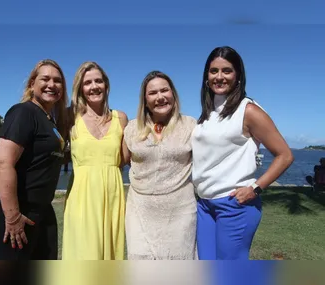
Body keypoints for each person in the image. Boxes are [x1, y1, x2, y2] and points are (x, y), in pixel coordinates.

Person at [192, 46, 294, 260]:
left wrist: (255, 188)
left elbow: (285, 155)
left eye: (227, 71)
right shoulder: (208, 113)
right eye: (213, 71)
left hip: (233, 207)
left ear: (238, 76)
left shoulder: (249, 110)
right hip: (204, 205)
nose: (219, 77)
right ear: (206, 77)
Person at [0, 59, 68, 260]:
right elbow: (3, 163)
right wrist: (12, 217)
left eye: (57, 81)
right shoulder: (23, 112)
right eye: (45, 79)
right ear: (32, 84)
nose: (52, 84)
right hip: (18, 209)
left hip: (42, 208)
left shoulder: (49, 120)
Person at [123, 71, 198, 260]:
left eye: (164, 90)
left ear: (173, 94)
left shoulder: (190, 125)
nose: (160, 97)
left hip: (180, 211)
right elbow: (124, 159)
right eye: (153, 93)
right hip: (140, 210)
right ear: (145, 100)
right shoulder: (131, 128)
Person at [62, 61, 128, 260]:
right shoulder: (69, 117)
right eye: (87, 82)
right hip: (81, 197)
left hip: (113, 196)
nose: (94, 87)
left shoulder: (121, 118)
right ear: (80, 88)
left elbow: (126, 159)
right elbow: (51, 150)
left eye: (98, 81)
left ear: (106, 85)